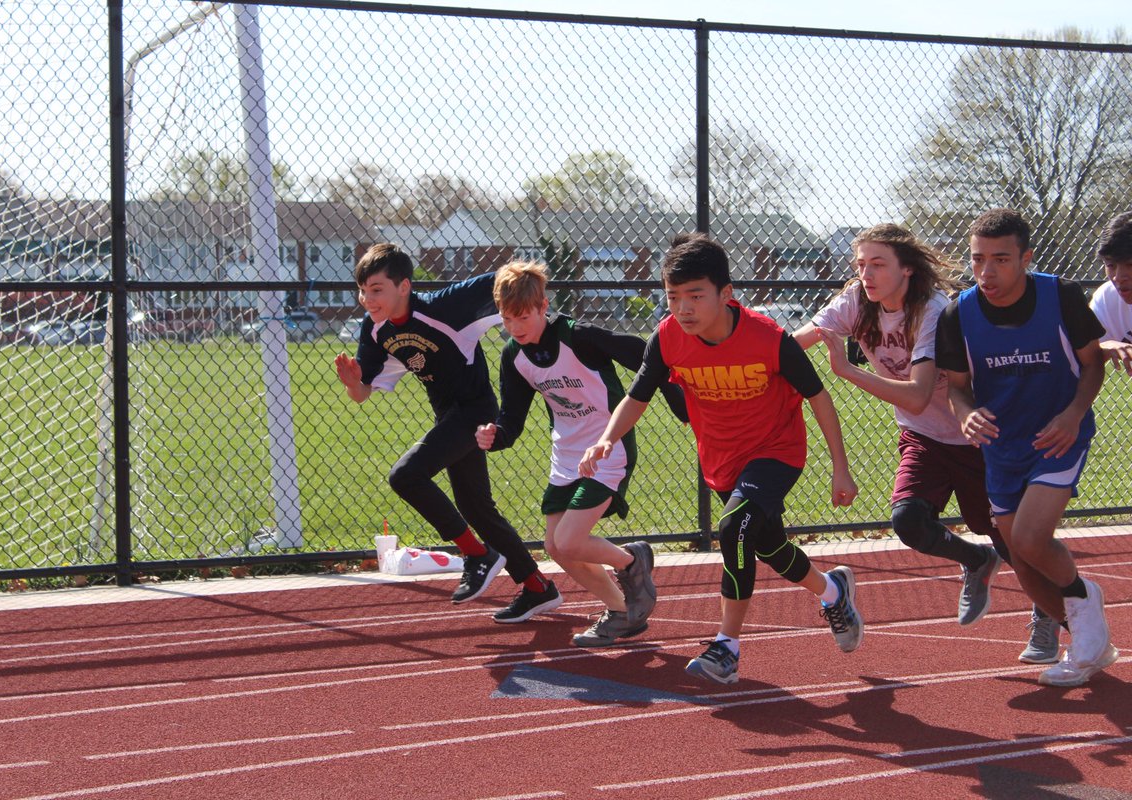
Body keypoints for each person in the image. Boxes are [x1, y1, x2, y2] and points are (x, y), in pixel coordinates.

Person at [579, 232, 864, 685]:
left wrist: (840, 467)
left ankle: (726, 647)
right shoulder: (668, 337)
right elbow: (637, 396)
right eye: (673, 296)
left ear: (725, 294)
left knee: (733, 529)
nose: (683, 308)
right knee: (766, 544)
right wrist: (606, 440)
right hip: (723, 460)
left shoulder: (768, 338)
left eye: (695, 296)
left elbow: (819, 397)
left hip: (776, 452)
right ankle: (834, 592)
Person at [794, 224, 1045, 657]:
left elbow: (917, 393)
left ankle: (1046, 616)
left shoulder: (933, 310)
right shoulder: (858, 299)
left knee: (1006, 534)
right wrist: (752, 353)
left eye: (877, 264)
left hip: (979, 434)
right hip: (924, 435)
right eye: (860, 265)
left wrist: (848, 371)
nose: (865, 274)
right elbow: (799, 341)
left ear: (906, 269)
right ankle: (975, 561)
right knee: (908, 520)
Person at [935, 208, 1118, 687]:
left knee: (1034, 538)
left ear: (1026, 258)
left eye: (1000, 259)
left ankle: (1084, 604)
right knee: (1020, 554)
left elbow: (1092, 364)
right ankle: (1086, 637)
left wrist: (1074, 414)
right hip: (1002, 445)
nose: (986, 272)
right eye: (978, 260)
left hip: (1058, 434)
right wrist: (965, 413)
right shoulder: (959, 313)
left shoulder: (1060, 295)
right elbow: (956, 387)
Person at [334, 244, 561, 623]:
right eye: (362, 290)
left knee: (405, 475)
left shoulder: (445, 307)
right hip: (449, 418)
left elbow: (508, 277)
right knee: (476, 508)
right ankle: (538, 587)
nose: (366, 299)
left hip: (475, 411)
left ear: (403, 286)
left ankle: (476, 554)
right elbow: (362, 394)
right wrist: (353, 383)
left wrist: (534, 295)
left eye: (376, 289)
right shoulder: (374, 329)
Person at [476, 260, 687, 647]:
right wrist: (497, 434)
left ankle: (632, 562)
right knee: (557, 547)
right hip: (566, 456)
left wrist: (680, 404)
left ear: (543, 306)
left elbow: (647, 354)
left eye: (523, 316)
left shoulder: (579, 336)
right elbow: (513, 416)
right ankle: (623, 611)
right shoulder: (514, 355)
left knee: (571, 540)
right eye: (507, 319)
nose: (515, 327)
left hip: (608, 447)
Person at [1090, 211, 1132, 375]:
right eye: (1111, 265)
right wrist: (1104, 346)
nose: (1118, 277)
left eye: (1130, 264)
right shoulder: (1107, 299)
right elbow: (1080, 356)